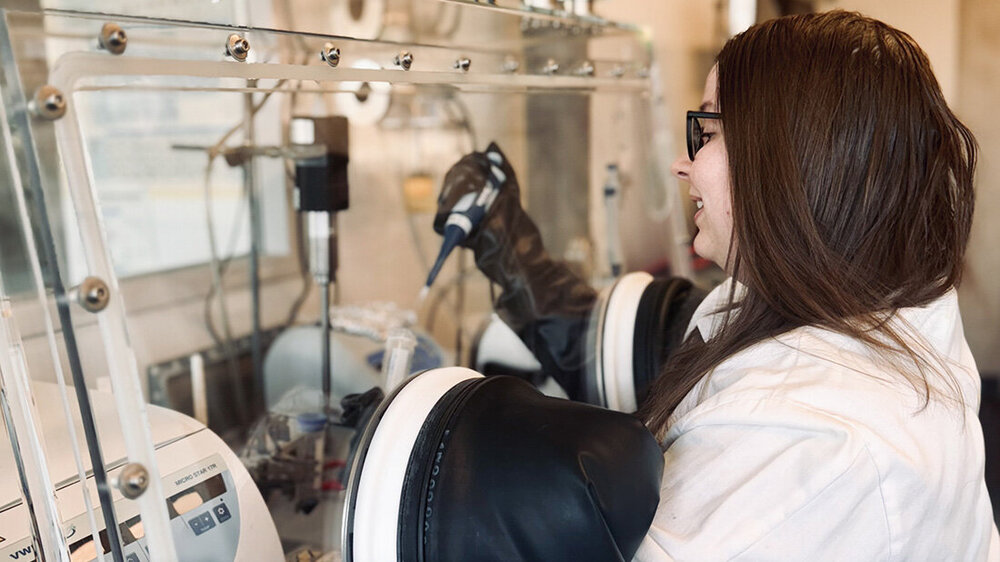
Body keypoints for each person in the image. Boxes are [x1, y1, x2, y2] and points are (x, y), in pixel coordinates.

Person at [435, 10, 998, 560]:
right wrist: (510, 248)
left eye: (707, 129)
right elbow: (657, 349)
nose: (684, 163)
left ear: (791, 159)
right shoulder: (839, 299)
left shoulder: (817, 444)